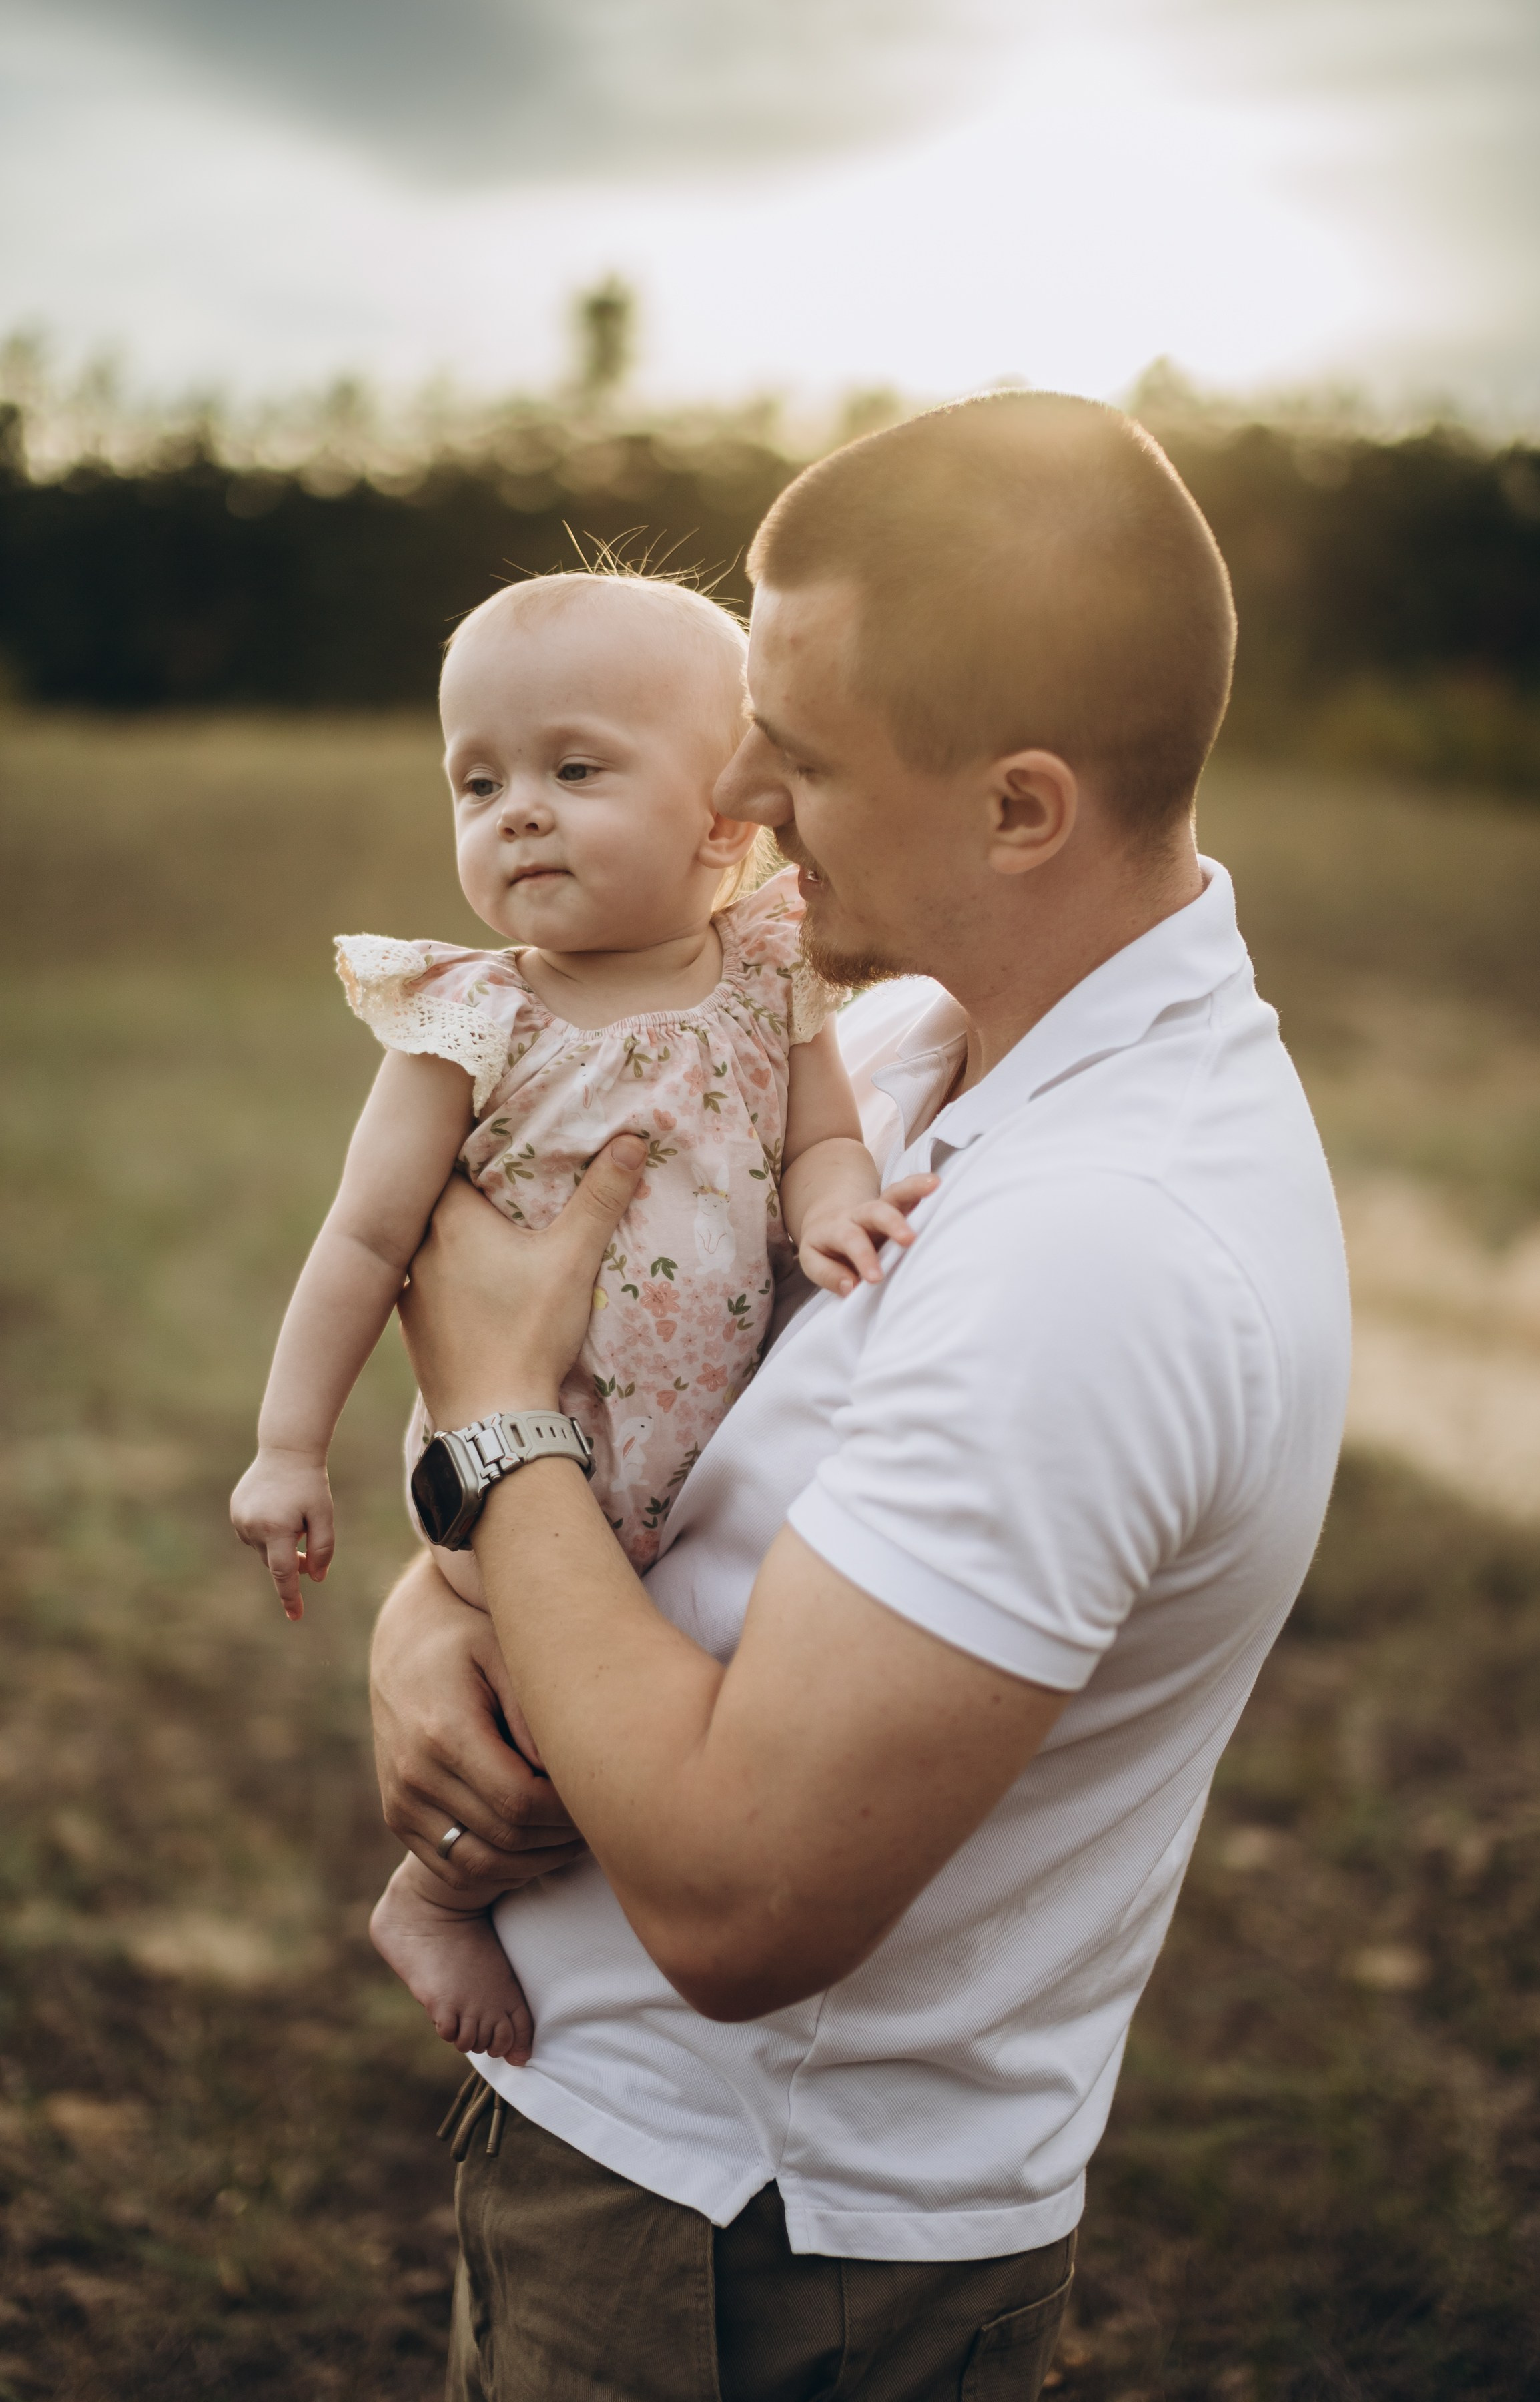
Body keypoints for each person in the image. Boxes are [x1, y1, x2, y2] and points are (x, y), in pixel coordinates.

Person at [371, 392, 1352, 2401]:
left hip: (761, 2260)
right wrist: (431, 1600)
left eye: (795, 753)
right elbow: (669, 1447)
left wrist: (490, 1432)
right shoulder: (913, 1043)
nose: (729, 786)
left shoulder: (1107, 1248)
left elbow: (742, 1895)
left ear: (1022, 806)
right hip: (653, 2171)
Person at [229, 570, 932, 2069]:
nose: (517, 813)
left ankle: (625, 1936)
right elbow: (364, 1241)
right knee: (526, 1722)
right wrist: (290, 1449)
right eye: (477, 782)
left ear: (724, 820)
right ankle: (433, 1900)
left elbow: (822, 1139)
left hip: (705, 1466)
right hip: (533, 1469)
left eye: (574, 768)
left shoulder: (770, 974)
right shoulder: (472, 1022)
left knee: (692, 1708)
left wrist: (829, 1206)